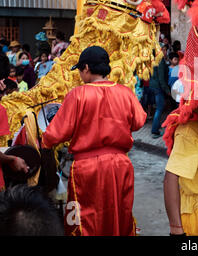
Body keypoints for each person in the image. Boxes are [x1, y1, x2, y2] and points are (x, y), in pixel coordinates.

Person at [41, 46, 147, 236]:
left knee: (84, 220)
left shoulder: (78, 95)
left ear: (87, 68)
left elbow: (55, 134)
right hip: (120, 165)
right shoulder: (124, 92)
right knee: (119, 216)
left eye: (80, 70)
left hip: (87, 169)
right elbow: (139, 121)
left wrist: (44, 143)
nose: (81, 75)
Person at [148, 44, 171, 138]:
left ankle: (156, 128)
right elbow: (161, 79)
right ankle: (154, 131)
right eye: (163, 50)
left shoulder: (152, 60)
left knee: (158, 108)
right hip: (158, 87)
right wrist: (168, 91)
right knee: (159, 108)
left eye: (166, 50)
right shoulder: (160, 62)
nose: (165, 52)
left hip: (152, 86)